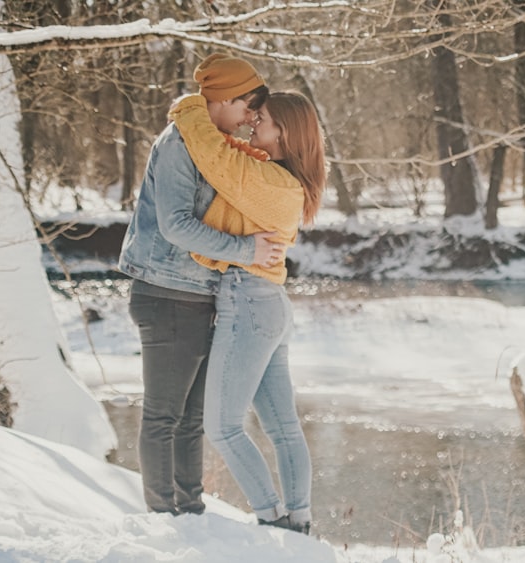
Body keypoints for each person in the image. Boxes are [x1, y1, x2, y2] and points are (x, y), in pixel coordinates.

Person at [118, 53, 285, 515]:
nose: (252, 117)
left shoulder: (213, 144)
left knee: (191, 418)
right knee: (163, 414)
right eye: (249, 106)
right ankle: (162, 514)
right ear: (225, 98)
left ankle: (188, 510)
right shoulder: (180, 143)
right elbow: (175, 225)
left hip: (201, 294)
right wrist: (249, 251)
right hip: (166, 292)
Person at [167, 90, 325, 534]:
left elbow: (214, 155)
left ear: (285, 132)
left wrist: (191, 107)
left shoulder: (270, 182)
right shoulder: (276, 177)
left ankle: (273, 519)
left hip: (250, 304)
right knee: (282, 427)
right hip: (266, 303)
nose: (253, 122)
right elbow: (232, 153)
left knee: (223, 426)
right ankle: (299, 522)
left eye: (264, 119)